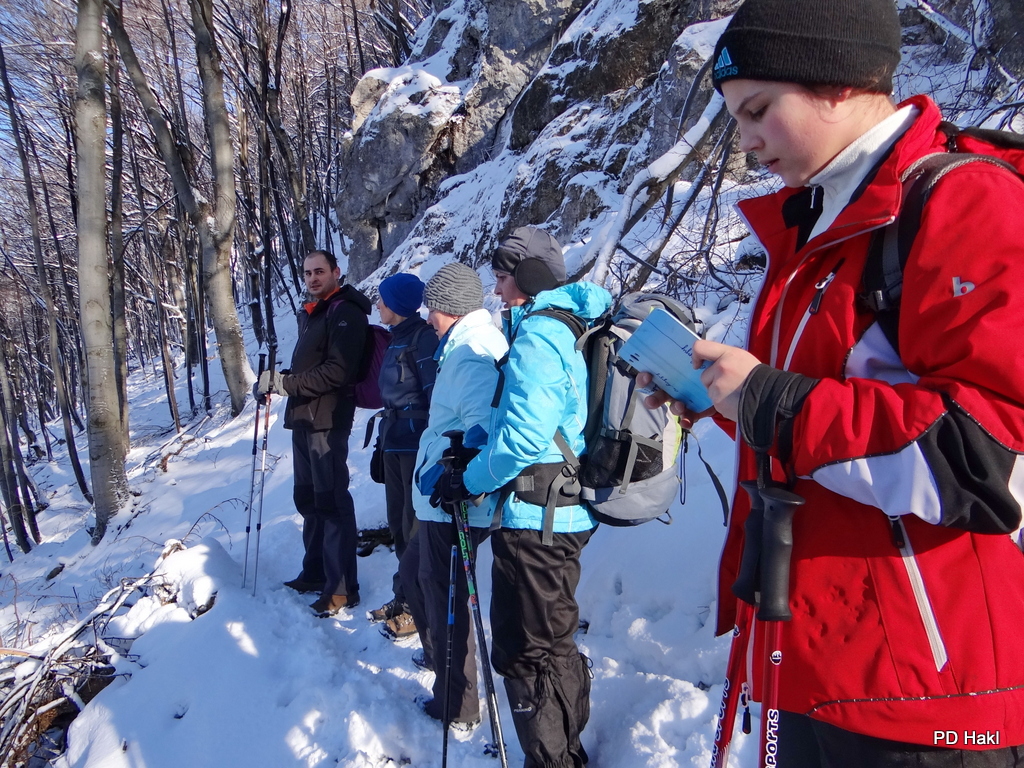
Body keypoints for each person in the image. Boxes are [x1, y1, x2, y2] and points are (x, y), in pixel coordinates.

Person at [644, 0, 1024, 764]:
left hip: (929, 697)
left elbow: (990, 456)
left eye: (758, 110)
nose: (747, 143)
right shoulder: (819, 224)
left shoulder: (961, 203)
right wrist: (724, 398)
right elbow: (828, 420)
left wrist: (770, 402)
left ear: (838, 82)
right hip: (815, 657)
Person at [435, 227, 612, 767]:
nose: (495, 286)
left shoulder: (539, 334)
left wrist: (469, 480)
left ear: (529, 276)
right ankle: (566, 753)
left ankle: (552, 760)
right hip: (559, 511)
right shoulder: (567, 324)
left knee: (525, 650)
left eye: (502, 275)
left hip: (536, 518)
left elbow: (524, 439)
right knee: (552, 642)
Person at [398, 262, 508, 727]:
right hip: (444, 497)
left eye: (434, 309)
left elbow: (483, 427)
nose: (428, 318)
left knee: (444, 596)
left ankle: (457, 703)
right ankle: (442, 667)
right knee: (417, 577)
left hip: (455, 501)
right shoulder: (465, 345)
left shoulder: (471, 353)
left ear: (453, 308)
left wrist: (458, 476)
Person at [257, 250, 371, 617]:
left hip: (328, 420)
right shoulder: (315, 312)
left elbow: (337, 371)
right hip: (305, 417)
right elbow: (310, 367)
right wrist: (277, 380)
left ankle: (342, 588)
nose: (312, 278)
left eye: (319, 271)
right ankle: (316, 571)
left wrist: (286, 384)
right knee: (308, 499)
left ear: (336, 271)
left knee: (331, 501)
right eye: (307, 273)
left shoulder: (345, 312)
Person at [367, 273, 439, 639]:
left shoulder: (422, 338)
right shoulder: (396, 338)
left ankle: (415, 607)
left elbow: (434, 395)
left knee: (413, 527)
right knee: (398, 524)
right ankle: (403, 595)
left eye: (382, 299)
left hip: (415, 445)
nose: (378, 305)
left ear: (397, 304)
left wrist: (430, 443)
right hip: (393, 442)